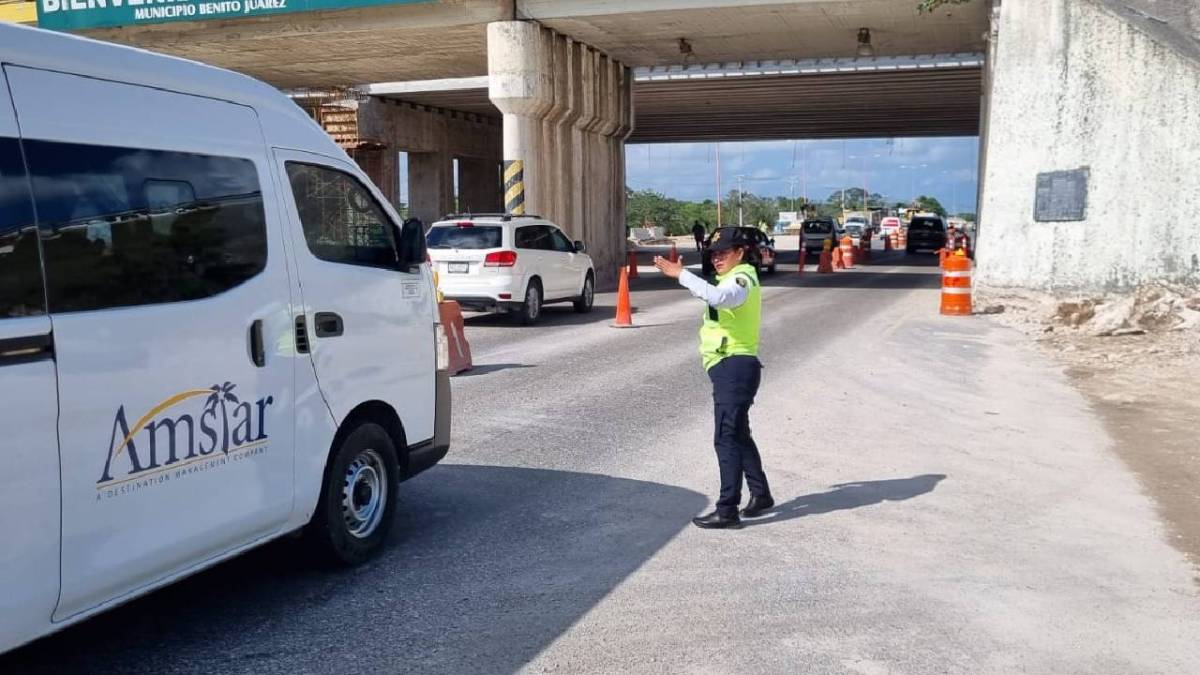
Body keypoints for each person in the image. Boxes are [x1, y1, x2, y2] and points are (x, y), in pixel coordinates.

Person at [653, 227, 773, 529]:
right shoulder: (731, 277)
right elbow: (713, 292)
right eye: (714, 253)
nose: (717, 258)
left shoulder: (741, 279)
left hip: (735, 367)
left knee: (725, 438)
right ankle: (761, 495)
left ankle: (727, 509)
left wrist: (681, 275)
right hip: (729, 366)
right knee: (738, 434)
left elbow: (720, 298)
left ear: (740, 253)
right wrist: (686, 276)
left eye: (724, 252)